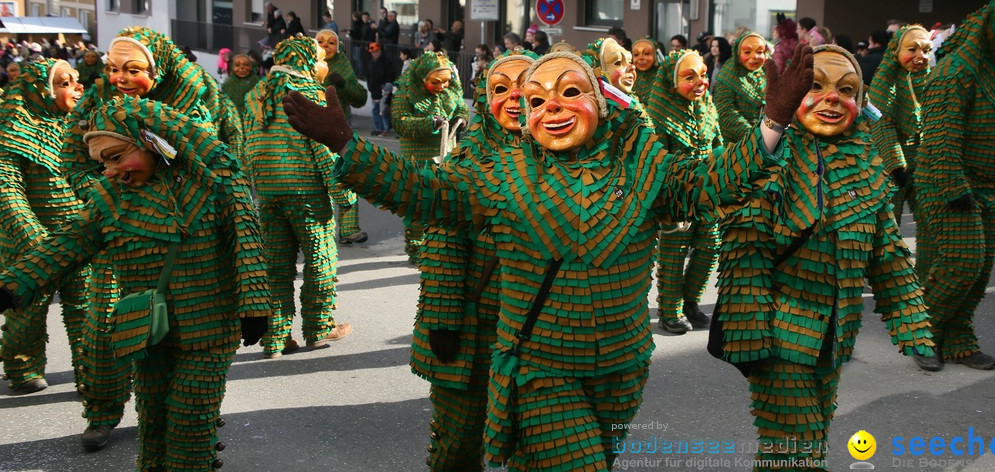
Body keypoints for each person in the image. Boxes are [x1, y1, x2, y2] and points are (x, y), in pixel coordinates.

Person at [282, 44, 814, 471]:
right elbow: (424, 191)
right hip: (540, 366)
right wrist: (346, 146)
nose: (548, 107)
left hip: (622, 368)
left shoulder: (643, 165)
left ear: (601, 102)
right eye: (536, 101)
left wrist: (772, 122)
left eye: (568, 93)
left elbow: (710, 183)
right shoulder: (501, 172)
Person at [0, 95, 270, 470]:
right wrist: (13, 285)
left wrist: (254, 307)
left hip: (207, 327)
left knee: (190, 415)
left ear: (150, 141)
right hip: (145, 329)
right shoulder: (110, 197)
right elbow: (70, 242)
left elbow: (247, 243)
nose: (109, 171)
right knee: (154, 417)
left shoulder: (218, 181)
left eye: (114, 157)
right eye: (103, 163)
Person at [712, 44, 935, 469]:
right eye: (816, 86)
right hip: (777, 336)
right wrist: (749, 335)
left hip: (835, 338)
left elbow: (887, 256)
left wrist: (913, 326)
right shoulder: (768, 159)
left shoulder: (869, 165)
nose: (832, 98)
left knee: (806, 439)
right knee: (796, 443)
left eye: (846, 89)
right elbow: (745, 254)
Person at [411, 49, 537, 470]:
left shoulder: (571, 155)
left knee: (537, 443)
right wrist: (444, 318)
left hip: (543, 332)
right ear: (485, 99)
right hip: (476, 326)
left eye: (526, 87)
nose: (516, 98)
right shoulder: (468, 159)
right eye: (502, 89)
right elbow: (444, 244)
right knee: (458, 440)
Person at [913, 0, 995, 371]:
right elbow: (940, 137)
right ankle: (922, 333)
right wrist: (954, 186)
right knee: (961, 262)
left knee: (980, 270)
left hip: (991, 186)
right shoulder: (955, 72)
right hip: (946, 184)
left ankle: (957, 340)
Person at [243, 36, 355, 357]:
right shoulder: (308, 94)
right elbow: (324, 150)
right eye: (319, 58)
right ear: (306, 60)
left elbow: (246, 147)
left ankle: (276, 337)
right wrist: (342, 193)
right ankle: (319, 326)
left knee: (276, 266)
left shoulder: (256, 96)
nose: (323, 64)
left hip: (267, 193)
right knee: (320, 261)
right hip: (305, 193)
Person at [0, 60, 88, 396]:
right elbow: (7, 189)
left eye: (76, 81)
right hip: (31, 239)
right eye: (66, 83)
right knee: (28, 309)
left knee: (87, 305)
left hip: (78, 235)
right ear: (43, 90)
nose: (76, 88)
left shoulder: (77, 126)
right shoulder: (12, 131)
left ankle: (90, 369)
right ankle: (23, 365)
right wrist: (32, 238)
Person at [645, 49, 724, 334]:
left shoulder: (708, 106)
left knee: (711, 246)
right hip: (676, 193)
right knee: (675, 253)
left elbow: (717, 142)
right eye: (689, 77)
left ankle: (691, 301)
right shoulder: (659, 111)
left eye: (703, 74)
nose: (700, 82)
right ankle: (670, 311)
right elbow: (657, 157)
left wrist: (721, 169)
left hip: (708, 192)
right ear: (672, 80)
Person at [390, 51, 469, 265]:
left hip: (446, 159)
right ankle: (416, 247)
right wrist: (428, 123)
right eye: (436, 82)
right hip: (418, 159)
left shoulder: (449, 90)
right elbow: (400, 122)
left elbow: (460, 104)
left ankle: (442, 245)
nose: (442, 87)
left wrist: (462, 117)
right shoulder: (404, 95)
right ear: (423, 78)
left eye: (446, 81)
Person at [866, 24, 933, 227]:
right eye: (912, 49)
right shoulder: (884, 82)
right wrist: (896, 165)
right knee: (888, 222)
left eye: (926, 50)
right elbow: (882, 124)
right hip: (891, 168)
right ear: (897, 51)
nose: (920, 55)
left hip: (923, 164)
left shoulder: (932, 80)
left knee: (930, 220)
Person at [315, 29, 369, 245]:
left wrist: (343, 85)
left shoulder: (344, 65)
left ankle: (349, 229)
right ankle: (320, 229)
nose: (326, 46)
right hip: (310, 126)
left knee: (345, 173)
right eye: (320, 42)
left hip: (339, 127)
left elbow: (359, 99)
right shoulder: (306, 64)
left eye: (331, 42)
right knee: (317, 178)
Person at [712, 30, 769, 144]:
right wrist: (752, 135)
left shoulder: (766, 73)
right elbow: (726, 111)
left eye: (760, 52)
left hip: (764, 140)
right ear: (738, 54)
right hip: (734, 144)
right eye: (747, 52)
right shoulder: (727, 75)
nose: (755, 57)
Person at [364, 43, 394, 137]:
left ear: (380, 52)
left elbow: (390, 76)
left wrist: (385, 87)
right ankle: (379, 128)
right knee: (376, 110)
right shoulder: (370, 63)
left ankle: (385, 128)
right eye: (373, 52)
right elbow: (368, 76)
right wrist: (370, 87)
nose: (374, 54)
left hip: (383, 90)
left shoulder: (386, 62)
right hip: (374, 90)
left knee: (383, 111)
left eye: (376, 52)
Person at [220, 52, 259, 121]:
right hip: (233, 122)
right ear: (233, 67)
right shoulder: (228, 84)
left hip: (252, 121)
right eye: (237, 65)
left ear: (251, 66)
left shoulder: (257, 82)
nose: (242, 68)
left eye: (246, 65)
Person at [630, 37, 663, 103]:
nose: (641, 58)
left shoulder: (663, 74)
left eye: (647, 53)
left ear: (655, 55)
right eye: (636, 55)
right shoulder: (628, 75)